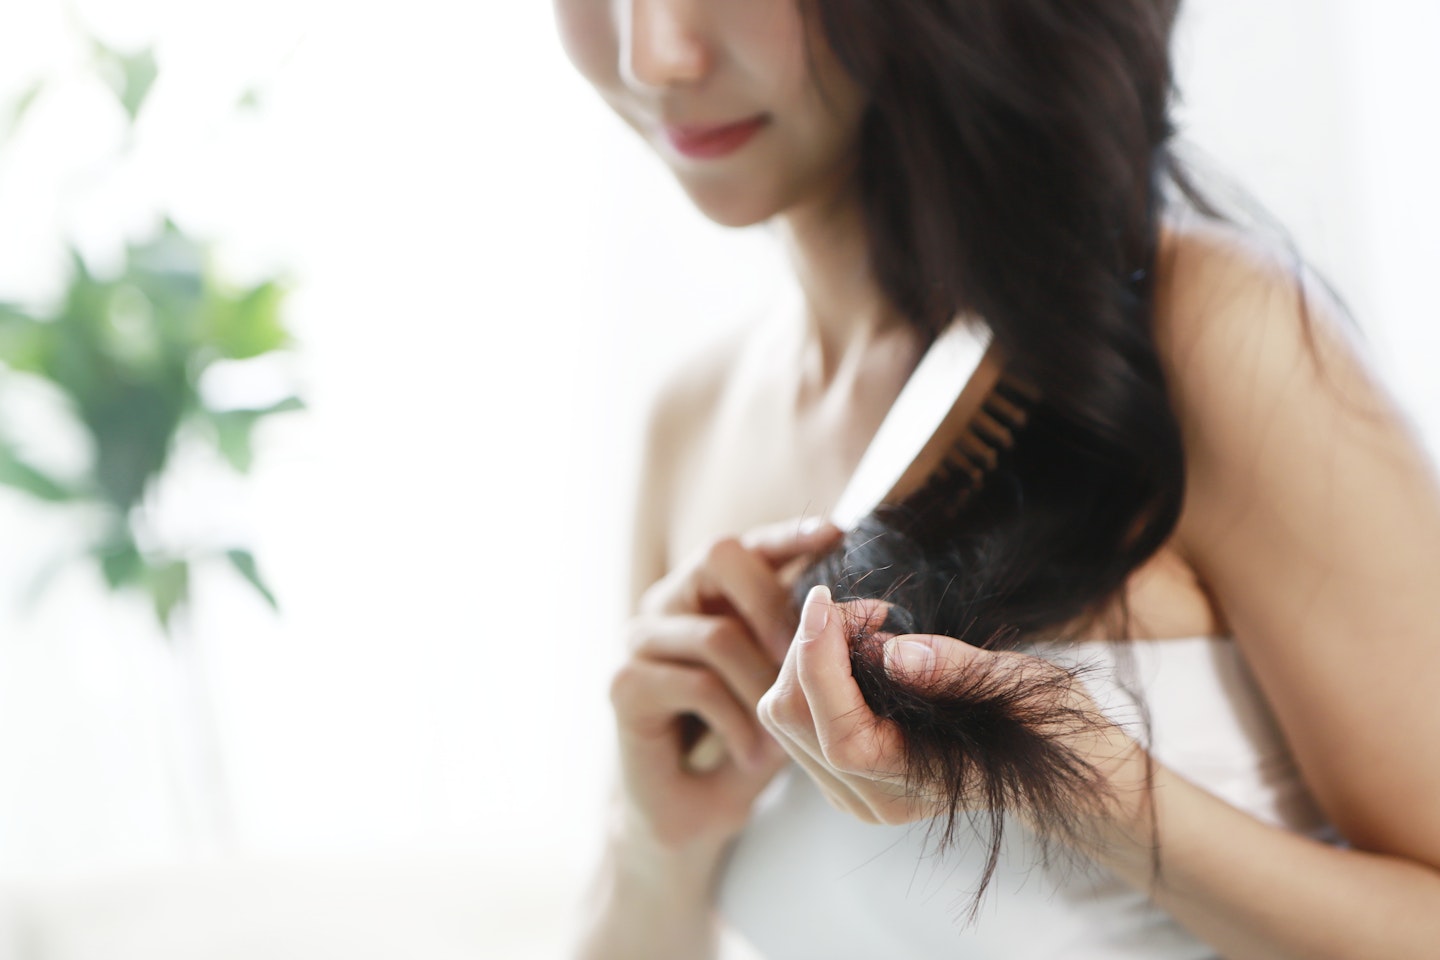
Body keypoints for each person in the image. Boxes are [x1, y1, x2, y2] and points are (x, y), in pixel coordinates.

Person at [555, 0, 1440, 957]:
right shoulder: (691, 423)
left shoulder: (1207, 335)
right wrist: (654, 844)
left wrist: (1084, 787)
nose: (655, 56)